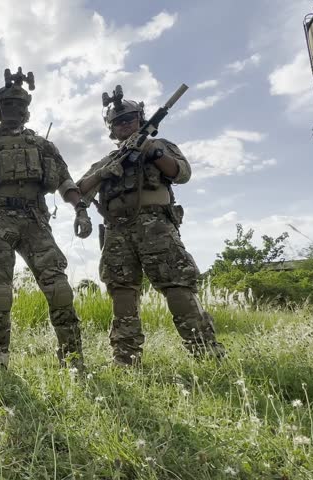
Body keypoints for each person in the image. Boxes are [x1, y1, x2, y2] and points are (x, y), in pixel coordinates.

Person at [76, 89, 226, 366]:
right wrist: (103, 173)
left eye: (130, 118)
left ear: (140, 119)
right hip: (117, 231)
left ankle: (206, 352)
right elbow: (78, 191)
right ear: (111, 130)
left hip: (155, 225)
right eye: (118, 122)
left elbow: (181, 173)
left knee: (177, 286)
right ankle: (125, 357)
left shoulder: (160, 145)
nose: (125, 124)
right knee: (122, 291)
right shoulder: (106, 160)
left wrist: (152, 151)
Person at [0, 68, 90, 369]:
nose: (14, 111)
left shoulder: (42, 145)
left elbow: (65, 182)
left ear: (27, 111)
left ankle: (72, 358)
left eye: (20, 106)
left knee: (58, 288)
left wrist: (80, 209)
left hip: (34, 219)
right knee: (0, 292)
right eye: (8, 106)